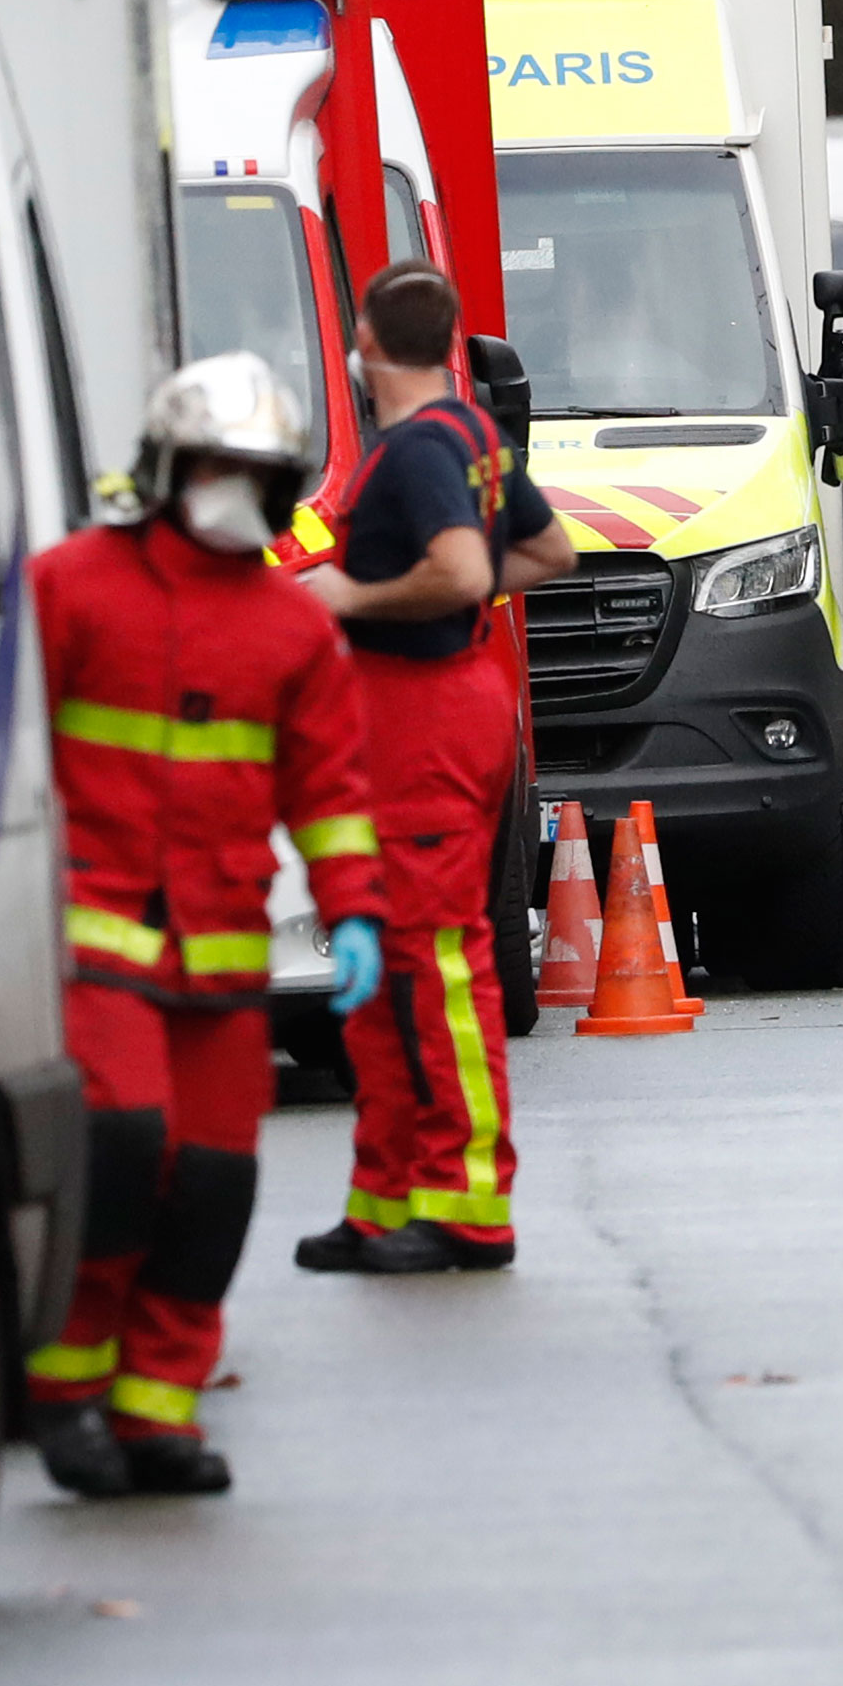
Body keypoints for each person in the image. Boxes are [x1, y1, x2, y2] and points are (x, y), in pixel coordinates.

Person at [28, 355, 384, 1496]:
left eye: (254, 472)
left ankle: (157, 1413)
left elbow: (329, 792)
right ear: (167, 468)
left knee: (216, 1184)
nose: (233, 488)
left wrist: (355, 915)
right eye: (215, 466)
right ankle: (66, 1390)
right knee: (123, 1148)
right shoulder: (70, 588)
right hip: (95, 936)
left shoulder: (290, 630)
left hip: (223, 955)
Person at [295, 263, 576, 1277]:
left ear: (366, 342)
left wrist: (350, 598)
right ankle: (385, 1199)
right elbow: (549, 553)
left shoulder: (417, 449)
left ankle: (465, 1203)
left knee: (432, 959)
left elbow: (458, 569)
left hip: (419, 717)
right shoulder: (472, 434)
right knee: (385, 962)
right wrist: (460, 595)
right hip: (444, 703)